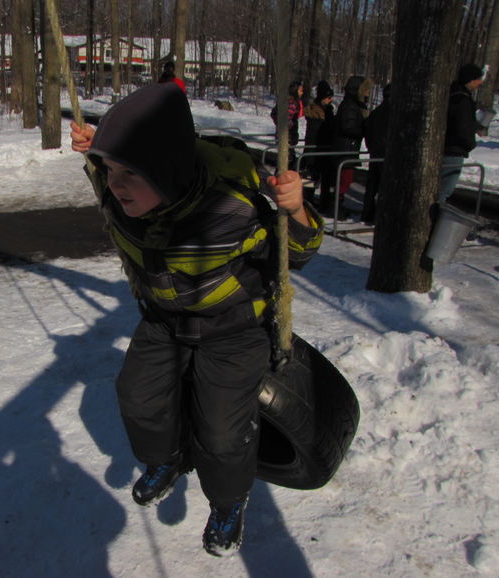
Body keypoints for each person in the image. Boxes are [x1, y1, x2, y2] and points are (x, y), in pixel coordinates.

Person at [69, 83, 323, 557]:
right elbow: (109, 175)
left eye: (128, 173)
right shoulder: (124, 200)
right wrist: (96, 154)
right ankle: (165, 459)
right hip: (166, 320)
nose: (114, 184)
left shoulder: (231, 208)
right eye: (109, 171)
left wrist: (296, 211)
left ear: (167, 171)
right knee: (136, 394)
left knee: (221, 429)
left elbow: (299, 254)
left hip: (233, 330)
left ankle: (228, 501)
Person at [439, 63, 486, 203]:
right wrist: (470, 144)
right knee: (444, 191)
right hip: (454, 150)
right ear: (470, 80)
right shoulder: (463, 100)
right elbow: (462, 127)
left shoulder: (452, 95)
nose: (480, 82)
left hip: (447, 147)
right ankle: (435, 219)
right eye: (478, 79)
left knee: (440, 189)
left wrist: (476, 126)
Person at [331, 75, 371, 216]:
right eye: (365, 90)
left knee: (345, 180)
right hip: (345, 148)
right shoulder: (350, 105)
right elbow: (347, 127)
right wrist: (364, 129)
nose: (368, 93)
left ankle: (337, 206)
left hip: (349, 148)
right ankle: (336, 207)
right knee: (343, 181)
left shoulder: (354, 105)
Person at [362, 83, 391, 224]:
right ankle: (381, 215)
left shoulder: (376, 112)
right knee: (385, 187)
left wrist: (371, 147)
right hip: (386, 153)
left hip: (376, 152)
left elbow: (368, 132)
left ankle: (367, 213)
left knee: (372, 185)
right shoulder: (394, 113)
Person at [303, 80, 336, 206]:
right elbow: (317, 132)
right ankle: (306, 199)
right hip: (314, 149)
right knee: (310, 177)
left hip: (323, 149)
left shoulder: (327, 110)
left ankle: (322, 200)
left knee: (323, 177)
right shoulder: (316, 113)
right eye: (328, 97)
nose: (331, 99)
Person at [271, 80, 305, 170]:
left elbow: (274, 113)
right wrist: (288, 125)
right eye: (301, 90)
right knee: (287, 164)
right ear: (295, 91)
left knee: (285, 162)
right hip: (287, 137)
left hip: (286, 137)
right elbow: (283, 118)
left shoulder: (286, 101)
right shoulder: (291, 103)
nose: (302, 93)